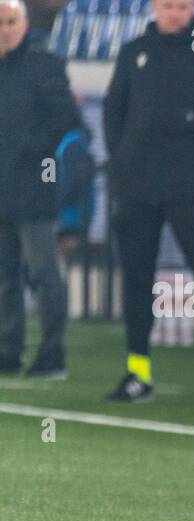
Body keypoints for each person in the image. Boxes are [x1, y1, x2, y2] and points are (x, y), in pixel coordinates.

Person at [103, 0, 194, 403]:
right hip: (136, 188)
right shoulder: (134, 51)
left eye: (183, 6)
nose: (176, 13)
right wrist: (120, 163)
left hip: (188, 187)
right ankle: (138, 372)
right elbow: (113, 110)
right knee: (137, 277)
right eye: (169, 6)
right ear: (154, 7)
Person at [0, 0, 83, 378]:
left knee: (42, 272)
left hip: (34, 185)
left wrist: (28, 148)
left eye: (11, 21)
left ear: (25, 23)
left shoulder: (45, 66)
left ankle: (53, 355)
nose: (5, 29)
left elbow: (67, 119)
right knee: (4, 276)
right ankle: (7, 351)